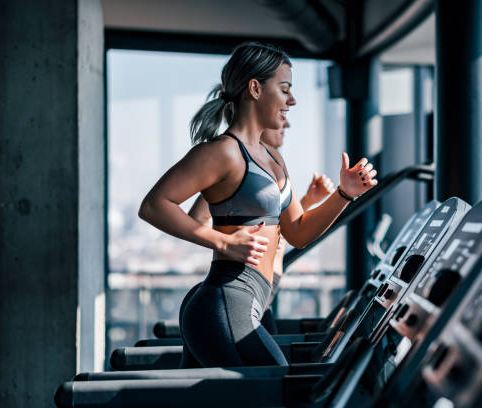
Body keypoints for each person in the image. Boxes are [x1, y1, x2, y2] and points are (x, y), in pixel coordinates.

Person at [139, 42, 377, 368]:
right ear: (255, 88)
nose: (291, 100)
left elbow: (298, 232)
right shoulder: (223, 152)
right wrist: (221, 240)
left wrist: (344, 195)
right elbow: (154, 205)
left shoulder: (273, 158)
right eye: (284, 89)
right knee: (279, 389)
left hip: (252, 303)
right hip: (226, 300)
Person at [186, 122, 335, 334]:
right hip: (240, 290)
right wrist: (228, 241)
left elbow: (283, 227)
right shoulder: (235, 166)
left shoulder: (272, 163)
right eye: (279, 115)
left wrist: (308, 201)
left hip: (263, 290)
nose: (287, 124)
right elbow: (198, 217)